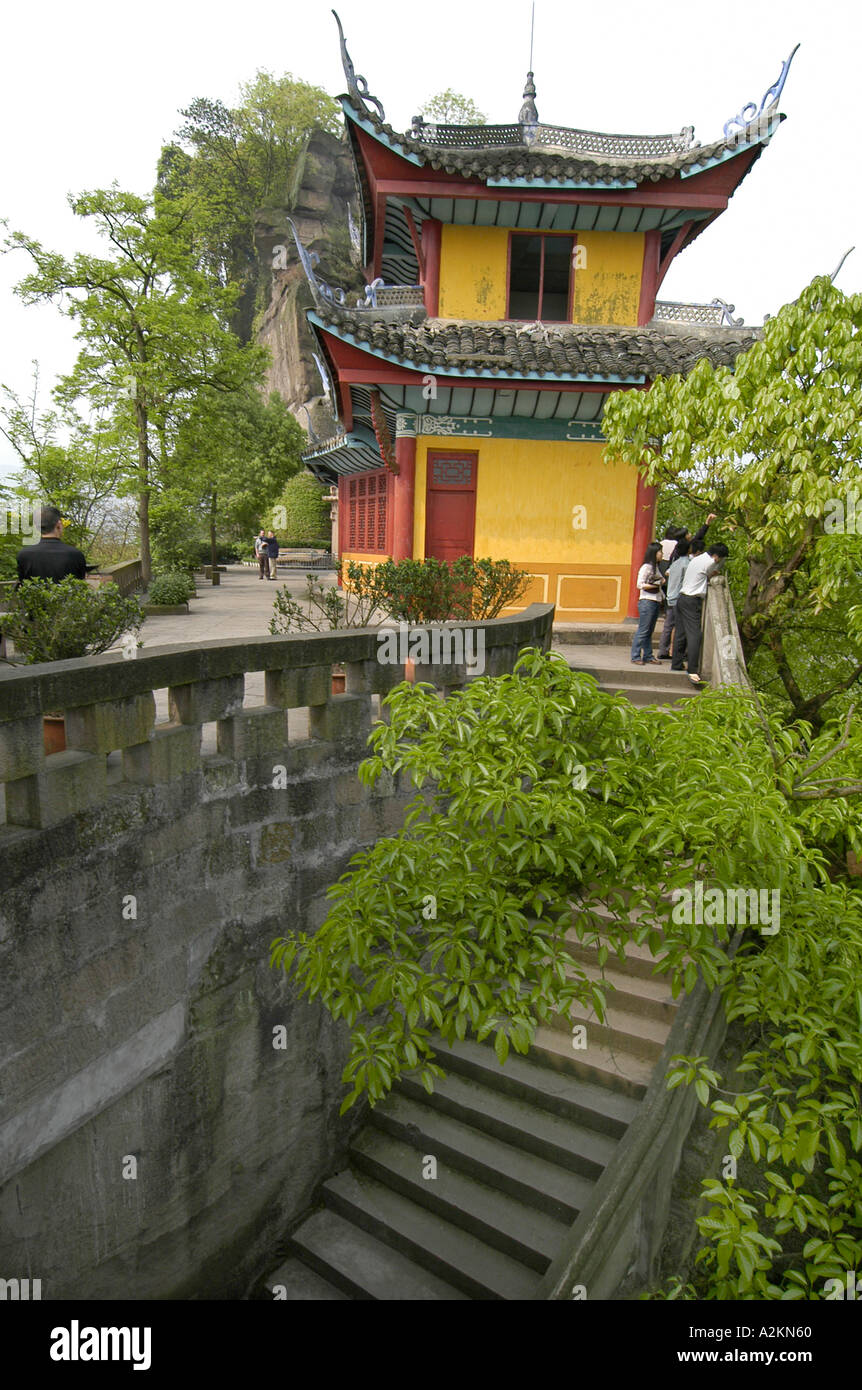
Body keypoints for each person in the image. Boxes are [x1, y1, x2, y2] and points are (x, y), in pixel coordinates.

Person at [673, 542, 730, 686]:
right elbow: (714, 570)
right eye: (721, 558)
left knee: (681, 633)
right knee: (695, 636)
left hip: (681, 598)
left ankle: (676, 663)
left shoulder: (697, 558)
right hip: (692, 600)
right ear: (717, 556)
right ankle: (692, 670)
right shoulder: (710, 562)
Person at [16, 505, 87, 584]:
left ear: (36, 527)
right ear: (59, 525)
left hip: (35, 596)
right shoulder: (75, 554)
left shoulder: (24, 555)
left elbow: (23, 584)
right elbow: (80, 585)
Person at [630, 540, 665, 665]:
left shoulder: (655, 568)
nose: (661, 554)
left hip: (655, 601)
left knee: (649, 630)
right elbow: (640, 584)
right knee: (643, 630)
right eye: (660, 551)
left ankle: (648, 655)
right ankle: (635, 655)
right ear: (654, 553)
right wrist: (656, 583)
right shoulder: (646, 567)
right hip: (647, 601)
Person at [658, 537, 691, 660]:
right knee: (678, 626)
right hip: (679, 598)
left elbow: (667, 573)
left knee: (668, 625)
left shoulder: (675, 564)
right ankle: (674, 651)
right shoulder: (687, 564)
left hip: (670, 597)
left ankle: (663, 650)